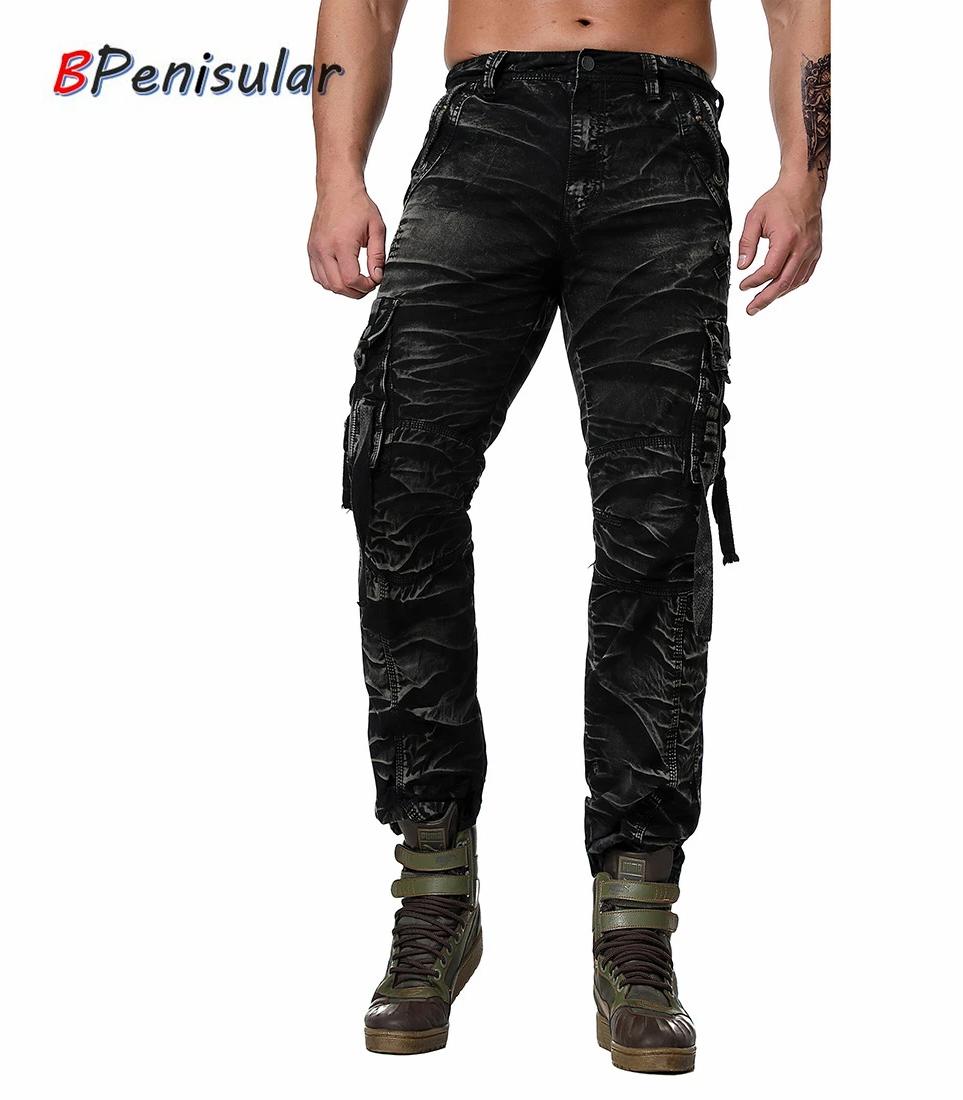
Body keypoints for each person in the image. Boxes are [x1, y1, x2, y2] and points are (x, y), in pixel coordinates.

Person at [308, 0, 829, 1073]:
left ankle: (635, 923)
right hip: (485, 128)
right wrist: (335, 176)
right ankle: (434, 888)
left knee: (655, 515)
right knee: (400, 475)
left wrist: (804, 174)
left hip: (662, 134)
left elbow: (795, 6)